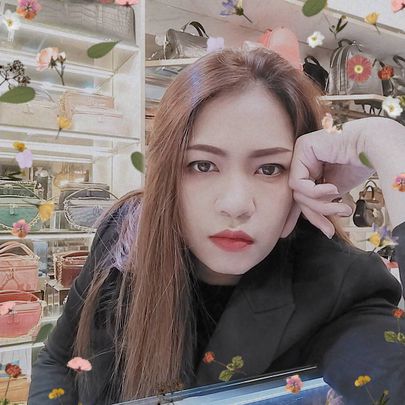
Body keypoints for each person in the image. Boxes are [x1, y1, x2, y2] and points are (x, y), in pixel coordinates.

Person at [28, 48, 405, 405]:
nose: (235, 204)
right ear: (167, 174)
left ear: (303, 177)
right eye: (203, 165)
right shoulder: (128, 229)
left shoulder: (337, 287)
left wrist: (387, 144)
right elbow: (59, 359)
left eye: (269, 169)